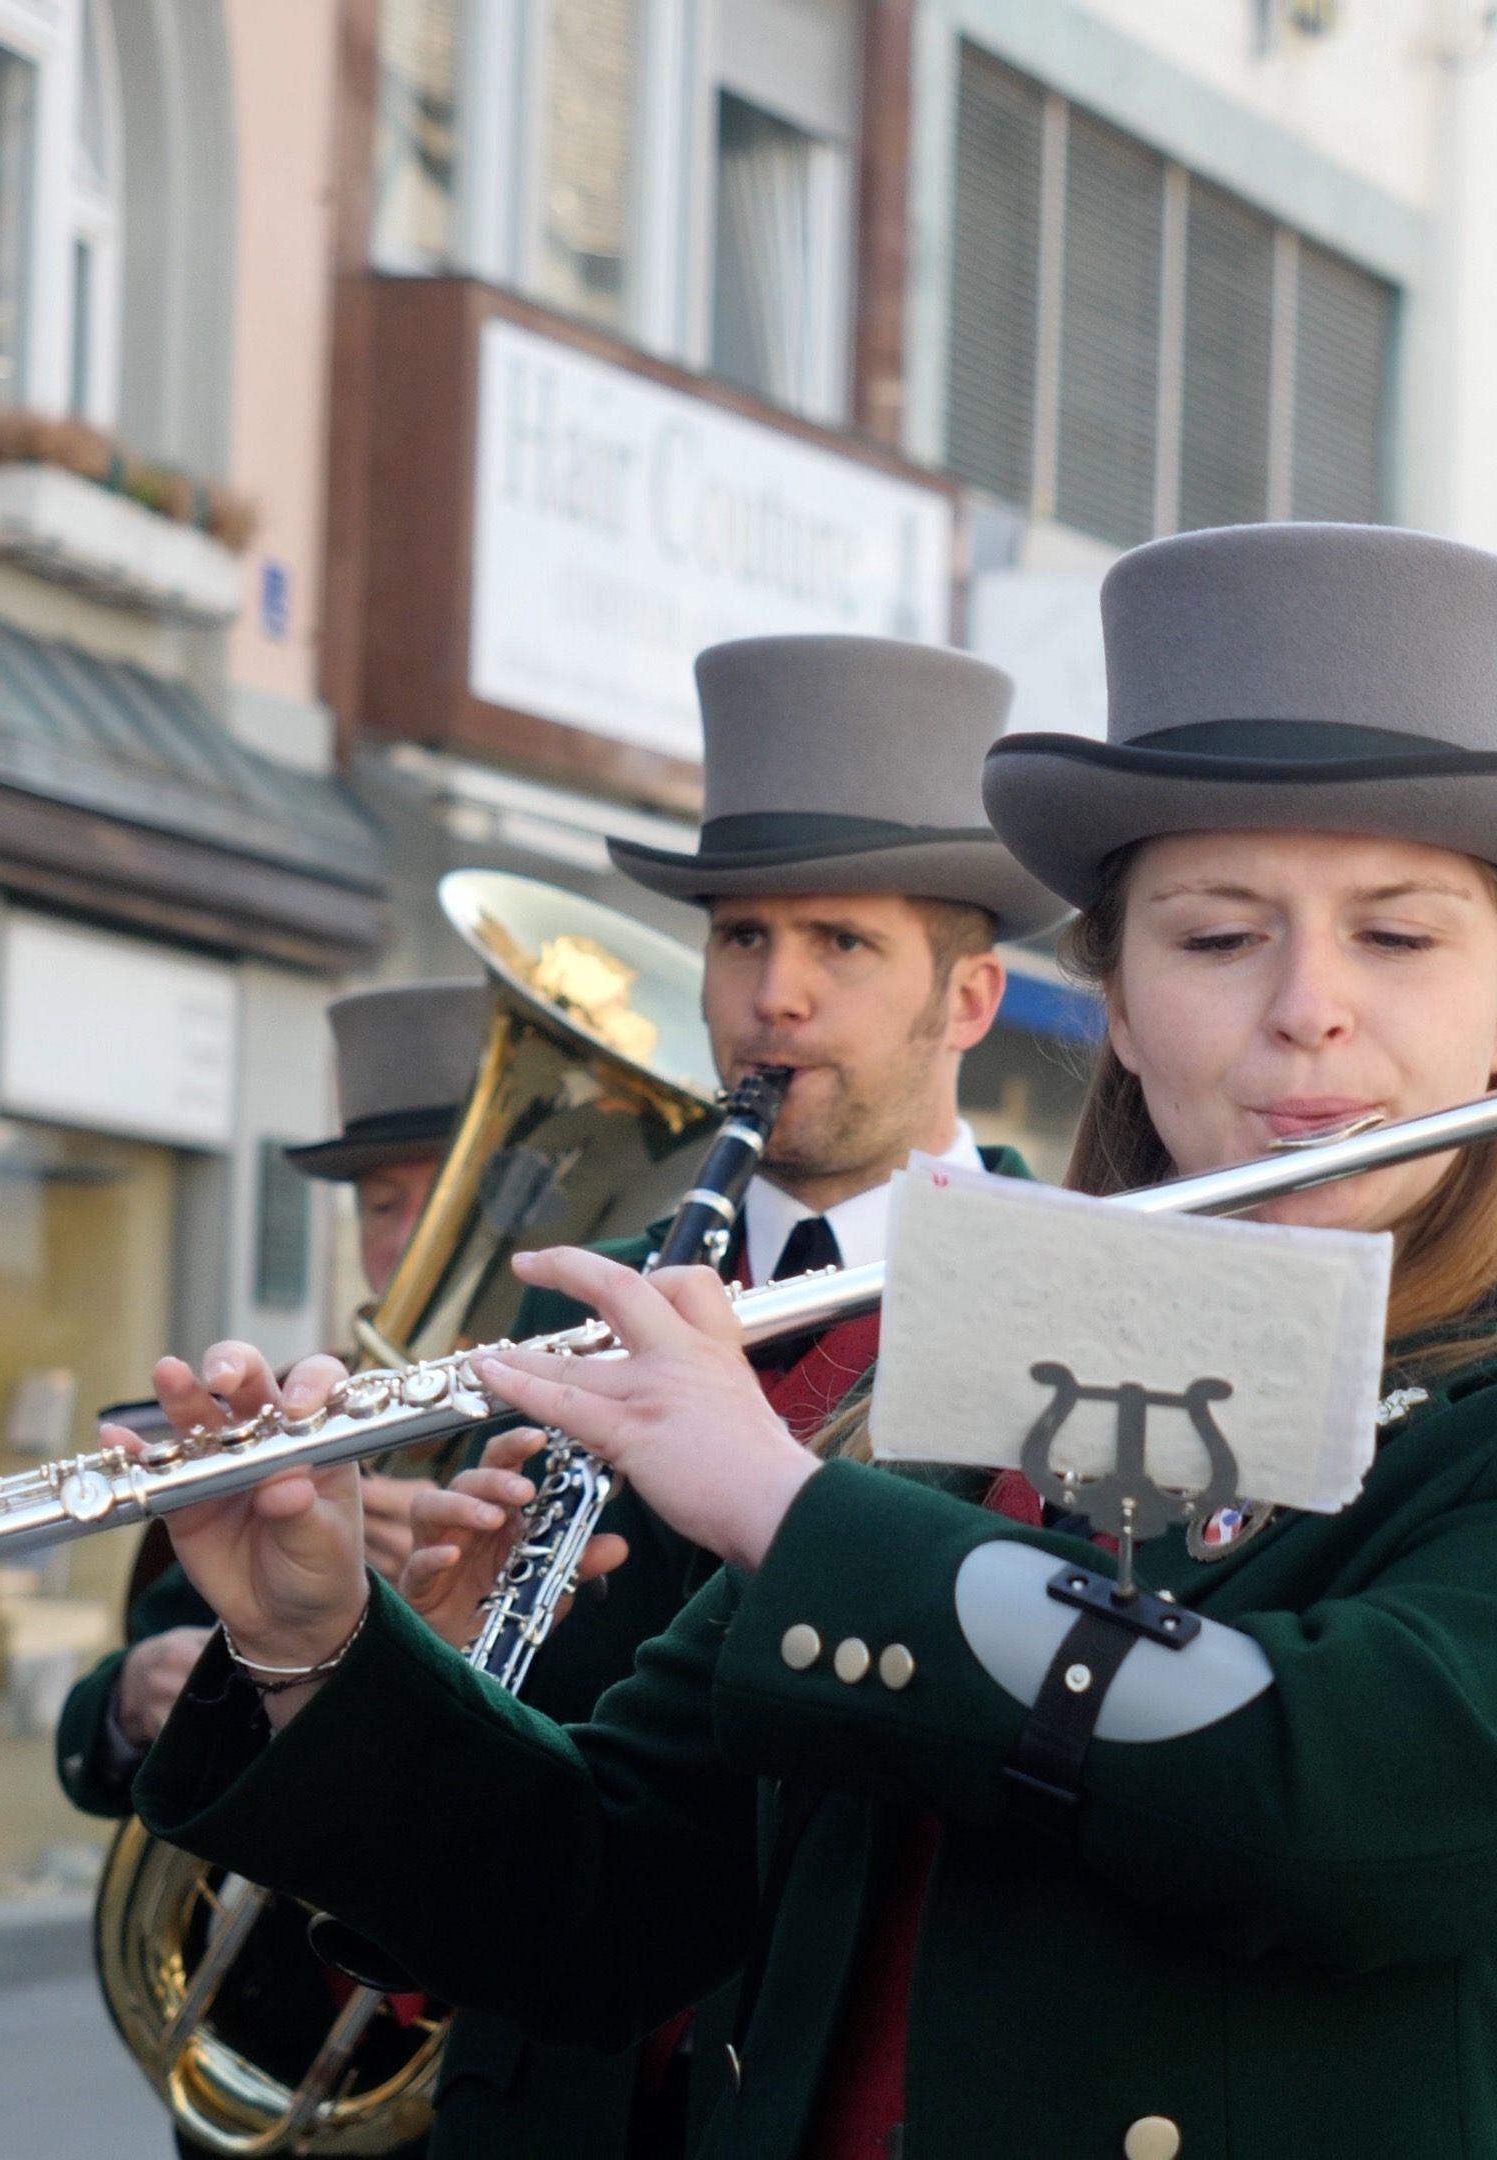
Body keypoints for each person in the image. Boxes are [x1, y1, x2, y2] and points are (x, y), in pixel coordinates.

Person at [123, 522, 1497, 2159]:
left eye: (1397, 934)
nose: (1308, 1007)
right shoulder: (956, 1405)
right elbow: (599, 1904)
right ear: (1126, 1012)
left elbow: (1339, 1813)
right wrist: (316, 1646)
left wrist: (784, 1514)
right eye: (1218, 937)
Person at [400, 631, 1061, 2160]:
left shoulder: (1073, 1299)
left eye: (842, 944)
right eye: (742, 941)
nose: (776, 997)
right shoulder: (580, 1297)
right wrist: (415, 1654)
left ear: (969, 998)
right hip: (565, 2089)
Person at [53, 977, 487, 2160]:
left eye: (451, 1203)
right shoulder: (269, 1426)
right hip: (267, 2039)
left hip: (481, 2070)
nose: (414, 1241)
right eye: (387, 1206)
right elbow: (103, 1726)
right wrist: (144, 1692)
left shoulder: (588, 1443)